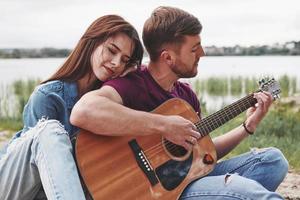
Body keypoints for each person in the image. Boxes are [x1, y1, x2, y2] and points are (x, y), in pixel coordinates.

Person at [71, 6, 288, 200]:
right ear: (168, 58)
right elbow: (84, 111)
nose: (202, 53)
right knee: (244, 190)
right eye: (194, 48)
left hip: (190, 181)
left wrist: (247, 127)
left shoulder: (186, 96)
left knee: (272, 160)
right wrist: (164, 125)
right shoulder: (133, 84)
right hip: (157, 193)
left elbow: (204, 154)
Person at [0, 15, 143, 200]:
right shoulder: (48, 97)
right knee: (50, 129)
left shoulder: (107, 105)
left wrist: (128, 83)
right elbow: (39, 178)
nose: (116, 63)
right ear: (92, 43)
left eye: (125, 60)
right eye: (111, 50)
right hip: (13, 186)